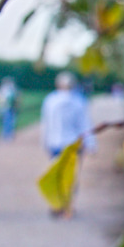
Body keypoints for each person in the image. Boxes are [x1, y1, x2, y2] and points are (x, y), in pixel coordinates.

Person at [40, 72, 96, 217]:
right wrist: (90, 144)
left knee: (57, 175)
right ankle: (67, 205)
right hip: (72, 144)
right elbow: (85, 124)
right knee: (71, 176)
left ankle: (58, 204)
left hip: (57, 143)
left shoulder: (51, 100)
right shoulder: (78, 101)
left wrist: (44, 142)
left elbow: (46, 124)